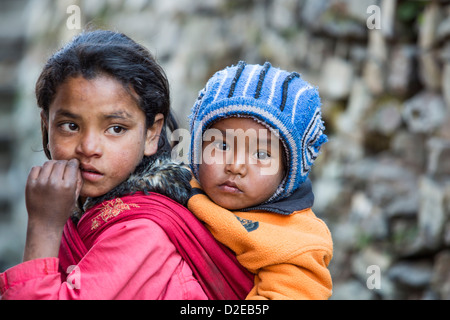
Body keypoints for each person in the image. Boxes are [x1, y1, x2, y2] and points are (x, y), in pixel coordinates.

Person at [0, 30, 253, 300]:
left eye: (116, 128)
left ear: (152, 134)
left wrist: (44, 227)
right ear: (45, 126)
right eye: (70, 126)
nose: (88, 147)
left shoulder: (140, 231)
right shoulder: (83, 209)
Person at [187, 61, 333, 300]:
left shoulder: (295, 239)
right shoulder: (175, 186)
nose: (235, 166)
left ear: (287, 171)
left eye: (261, 155)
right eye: (222, 145)